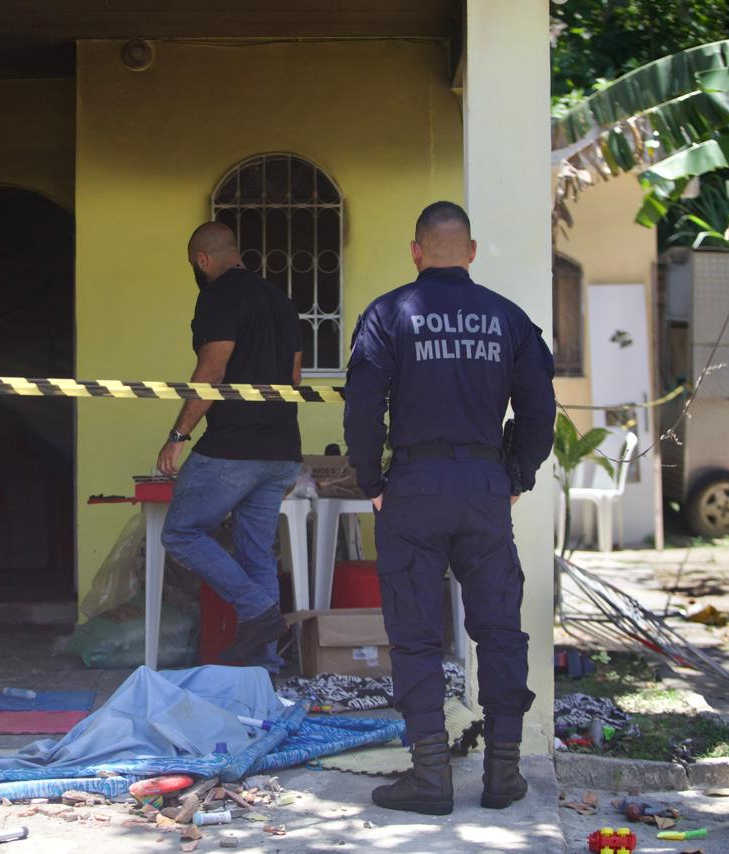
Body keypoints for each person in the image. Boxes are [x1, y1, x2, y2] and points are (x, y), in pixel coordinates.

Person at [343, 201, 556, 815]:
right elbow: (539, 413)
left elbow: (362, 408)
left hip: (411, 487)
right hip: (484, 487)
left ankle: (430, 776)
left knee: (414, 634)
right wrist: (517, 473)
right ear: (470, 251)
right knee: (498, 630)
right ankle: (503, 774)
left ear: (416, 251)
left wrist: (370, 479)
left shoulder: (387, 315)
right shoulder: (509, 319)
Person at [157, 222, 304, 669]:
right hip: (282, 450)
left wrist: (178, 436)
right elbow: (294, 380)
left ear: (202, 260)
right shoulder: (281, 301)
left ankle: (258, 614)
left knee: (180, 532)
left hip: (234, 447)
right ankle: (265, 673)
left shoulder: (218, 295)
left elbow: (211, 373)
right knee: (256, 552)